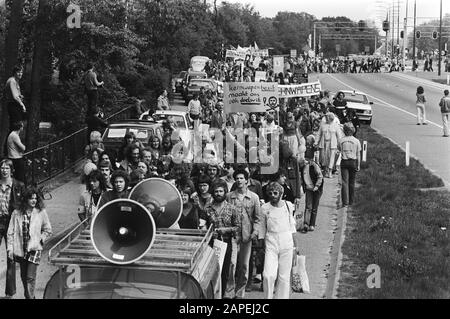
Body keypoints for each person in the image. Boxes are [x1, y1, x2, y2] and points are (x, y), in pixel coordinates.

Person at [7, 187, 52, 299]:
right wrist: (10, 249)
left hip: (34, 249)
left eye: (35, 198)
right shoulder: (16, 213)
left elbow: (48, 229)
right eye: (31, 198)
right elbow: (10, 232)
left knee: (30, 277)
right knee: (23, 276)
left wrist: (41, 239)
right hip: (21, 249)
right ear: (25, 199)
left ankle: (30, 297)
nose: (34, 201)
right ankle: (29, 296)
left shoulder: (41, 212)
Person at [258, 182, 300, 299]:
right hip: (271, 241)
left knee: (284, 277)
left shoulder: (288, 206)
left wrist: (295, 247)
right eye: (270, 193)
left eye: (275, 193)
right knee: (268, 275)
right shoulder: (264, 208)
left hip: (286, 241)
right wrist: (261, 243)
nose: (273, 195)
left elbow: (292, 226)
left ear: (281, 194)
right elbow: (262, 227)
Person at [201, 180, 241, 299]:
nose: (218, 193)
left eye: (220, 191)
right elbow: (203, 226)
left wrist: (226, 230)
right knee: (210, 271)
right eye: (216, 191)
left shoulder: (232, 208)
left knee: (224, 271)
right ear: (213, 193)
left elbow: (238, 227)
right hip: (211, 243)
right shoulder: (207, 209)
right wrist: (207, 231)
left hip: (226, 242)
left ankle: (222, 295)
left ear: (225, 192)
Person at [227, 169, 261, 299]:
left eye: (241, 178)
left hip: (247, 236)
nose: (239, 180)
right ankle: (229, 292)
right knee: (232, 263)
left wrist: (255, 231)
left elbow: (258, 218)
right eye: (237, 178)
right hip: (233, 235)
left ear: (246, 180)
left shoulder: (254, 197)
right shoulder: (230, 196)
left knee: (244, 265)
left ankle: (239, 292)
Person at [0, 159, 25, 298]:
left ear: (11, 170)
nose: (4, 170)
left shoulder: (18, 186)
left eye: (6, 168)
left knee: (11, 256)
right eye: (2, 168)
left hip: (11, 222)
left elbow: (23, 205)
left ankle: (9, 292)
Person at [299, 152, 324, 232]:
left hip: (317, 188)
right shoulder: (302, 168)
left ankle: (312, 224)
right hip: (309, 189)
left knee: (314, 207)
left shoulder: (314, 166)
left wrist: (316, 186)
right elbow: (302, 179)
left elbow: (320, 177)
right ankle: (306, 224)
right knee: (308, 206)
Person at [338, 123, 361, 208]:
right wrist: (358, 165)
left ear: (344, 130)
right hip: (353, 161)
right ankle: (351, 200)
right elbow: (358, 154)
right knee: (352, 182)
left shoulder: (341, 140)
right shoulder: (356, 141)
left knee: (344, 182)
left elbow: (339, 149)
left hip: (344, 161)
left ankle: (345, 202)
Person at [318, 112, 342, 178]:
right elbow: (319, 134)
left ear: (330, 118)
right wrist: (316, 142)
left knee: (331, 157)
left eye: (327, 117)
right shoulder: (322, 125)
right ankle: (325, 170)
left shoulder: (336, 126)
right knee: (324, 158)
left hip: (332, 144)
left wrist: (339, 145)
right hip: (323, 143)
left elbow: (339, 136)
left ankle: (330, 171)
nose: (325, 118)